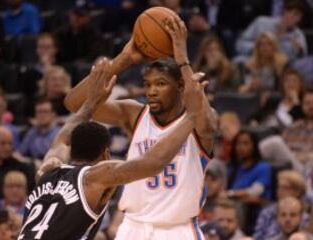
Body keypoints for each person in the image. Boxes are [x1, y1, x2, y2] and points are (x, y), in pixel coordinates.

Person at [18, 53, 209, 240]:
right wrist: (192, 113)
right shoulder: (96, 177)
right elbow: (154, 162)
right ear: (105, 156)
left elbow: (63, 139)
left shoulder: (45, 172)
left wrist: (91, 102)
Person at [64, 17, 217, 239]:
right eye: (148, 85)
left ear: (181, 87)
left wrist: (182, 58)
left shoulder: (197, 120)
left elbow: (209, 124)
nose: (152, 91)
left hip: (178, 230)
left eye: (161, 84)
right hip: (133, 227)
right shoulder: (135, 115)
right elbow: (75, 104)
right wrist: (124, 59)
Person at [235, 0, 307, 61]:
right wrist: (257, 49)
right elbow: (240, 44)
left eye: (299, 17)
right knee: (238, 60)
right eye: (295, 14)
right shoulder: (261, 22)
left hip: (279, 71)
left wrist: (299, 52)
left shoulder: (298, 35)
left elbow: (303, 62)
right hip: (255, 62)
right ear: (285, 11)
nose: (297, 19)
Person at [254, 170, 309, 240]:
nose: (280, 191)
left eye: (285, 188)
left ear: (297, 191)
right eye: (279, 187)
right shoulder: (267, 212)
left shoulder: (306, 216)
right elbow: (257, 237)